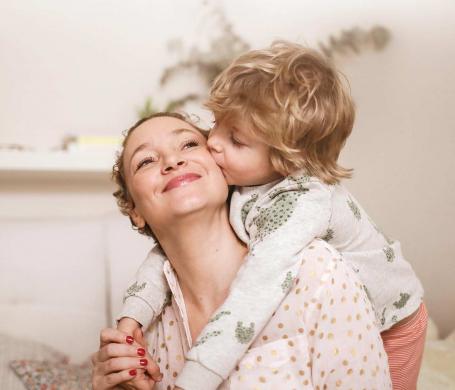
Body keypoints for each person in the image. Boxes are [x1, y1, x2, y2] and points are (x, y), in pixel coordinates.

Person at [116, 42, 427, 390]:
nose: (213, 143)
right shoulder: (244, 179)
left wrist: (194, 379)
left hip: (397, 321)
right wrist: (133, 315)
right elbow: (165, 255)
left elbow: (256, 289)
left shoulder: (300, 216)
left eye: (234, 139)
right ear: (135, 210)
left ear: (285, 162)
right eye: (215, 125)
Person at [91, 112, 392, 389]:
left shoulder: (318, 271)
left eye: (189, 144)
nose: (172, 161)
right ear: (134, 210)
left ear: (223, 168)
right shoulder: (144, 335)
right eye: (145, 161)